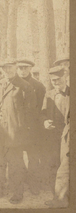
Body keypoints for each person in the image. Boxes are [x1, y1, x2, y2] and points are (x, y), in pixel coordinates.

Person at [0, 59, 36, 204]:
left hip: (15, 133)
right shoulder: (0, 84)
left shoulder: (25, 86)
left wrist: (22, 131)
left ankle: (17, 193)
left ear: (15, 68)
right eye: (5, 68)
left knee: (15, 164)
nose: (8, 71)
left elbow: (30, 112)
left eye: (10, 68)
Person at [16, 58, 46, 195]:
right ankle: (21, 181)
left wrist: (35, 126)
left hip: (33, 128)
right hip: (17, 127)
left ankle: (34, 184)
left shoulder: (38, 86)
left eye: (25, 68)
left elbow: (40, 109)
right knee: (17, 156)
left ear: (30, 69)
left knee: (33, 157)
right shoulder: (14, 84)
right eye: (20, 68)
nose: (23, 71)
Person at [40, 66, 69, 199]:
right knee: (52, 166)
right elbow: (43, 113)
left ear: (65, 77)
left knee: (65, 168)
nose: (56, 83)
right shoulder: (49, 94)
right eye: (53, 81)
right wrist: (45, 121)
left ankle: (64, 199)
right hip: (52, 137)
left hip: (67, 138)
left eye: (58, 79)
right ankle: (55, 196)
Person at [45, 106, 70, 208]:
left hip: (69, 134)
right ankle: (59, 198)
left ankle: (60, 201)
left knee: (64, 169)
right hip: (62, 133)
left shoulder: (69, 94)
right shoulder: (51, 93)